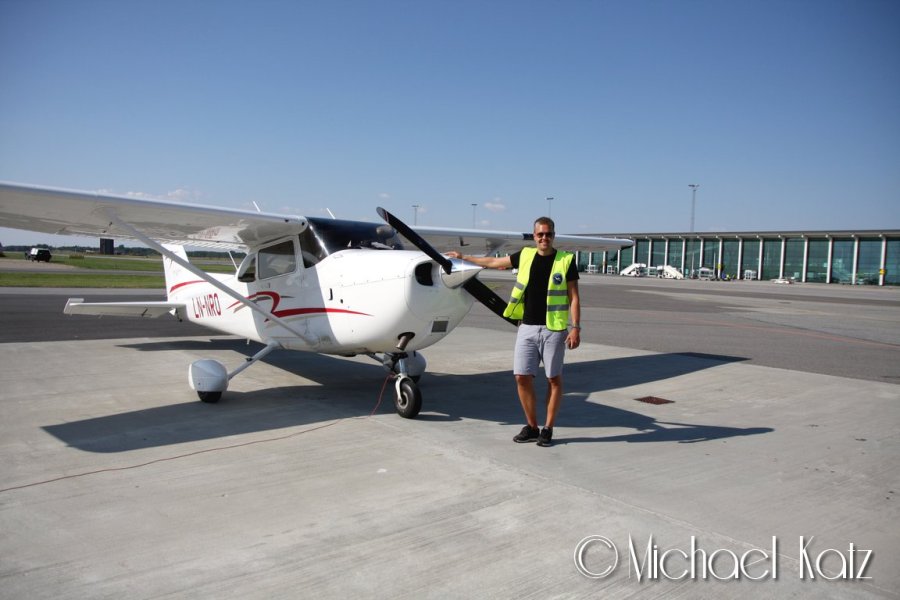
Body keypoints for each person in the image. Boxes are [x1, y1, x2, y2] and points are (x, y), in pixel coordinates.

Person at [446, 216, 580, 447]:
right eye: (540, 234)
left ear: (554, 235)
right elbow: (496, 262)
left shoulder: (566, 260)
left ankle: (547, 429)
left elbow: (574, 297)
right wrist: (464, 257)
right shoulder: (525, 255)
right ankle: (532, 426)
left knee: (553, 379)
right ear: (534, 235)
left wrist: (576, 327)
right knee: (521, 377)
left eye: (548, 234)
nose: (544, 238)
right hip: (526, 327)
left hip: (554, 328)